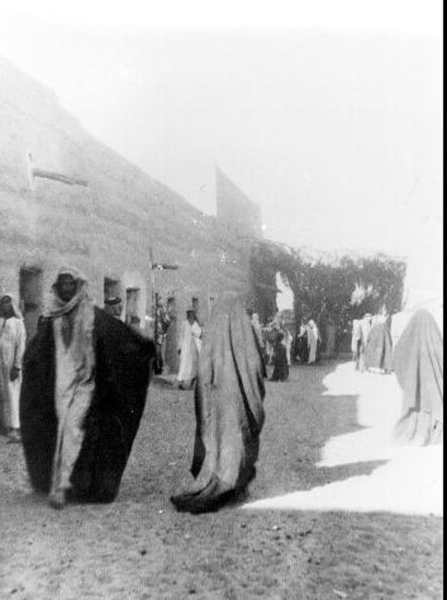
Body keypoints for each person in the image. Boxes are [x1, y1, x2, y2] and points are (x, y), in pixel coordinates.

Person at [20, 266, 154, 509]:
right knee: (63, 430)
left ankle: (62, 488)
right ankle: (67, 484)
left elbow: (116, 337)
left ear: (78, 286)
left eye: (71, 283)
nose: (67, 288)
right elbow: (41, 351)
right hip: (62, 383)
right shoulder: (55, 317)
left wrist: (143, 347)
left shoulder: (90, 314)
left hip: (85, 384)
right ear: (58, 288)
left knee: (71, 429)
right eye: (63, 284)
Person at [170, 293, 266, 514]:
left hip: (218, 402)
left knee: (221, 444)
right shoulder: (244, 332)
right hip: (239, 403)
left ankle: (222, 482)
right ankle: (236, 488)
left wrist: (206, 401)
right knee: (240, 443)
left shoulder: (212, 333)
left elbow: (203, 374)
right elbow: (256, 370)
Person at [392, 309, 443, 446]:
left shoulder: (410, 337)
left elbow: (397, 353)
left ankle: (419, 434)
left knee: (416, 405)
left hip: (413, 385)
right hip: (433, 389)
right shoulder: (435, 337)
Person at [0, 294, 26, 443]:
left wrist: (17, 365)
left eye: (8, 302)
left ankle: (15, 428)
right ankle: (6, 426)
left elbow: (20, 345)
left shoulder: (18, 323)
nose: (5, 305)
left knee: (13, 393)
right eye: (3, 303)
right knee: (4, 393)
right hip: (1, 362)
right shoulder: (1, 321)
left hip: (11, 363)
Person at [177, 309, 202, 390]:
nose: (190, 316)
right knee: (183, 364)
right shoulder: (184, 324)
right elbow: (181, 336)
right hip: (185, 347)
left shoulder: (196, 324)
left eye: (191, 314)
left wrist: (196, 332)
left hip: (193, 348)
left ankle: (192, 382)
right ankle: (182, 383)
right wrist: (179, 347)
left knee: (193, 366)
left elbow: (199, 335)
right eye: (188, 314)